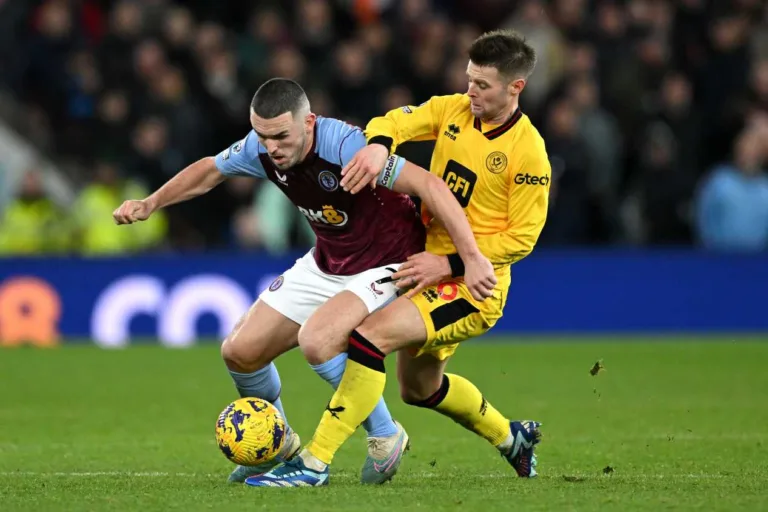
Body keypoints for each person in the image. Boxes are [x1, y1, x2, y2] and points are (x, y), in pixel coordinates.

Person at [112, 78, 495, 484]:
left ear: (309, 122)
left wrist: (469, 258)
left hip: (391, 261)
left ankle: (385, 434)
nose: (271, 147)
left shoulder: (346, 146)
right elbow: (210, 170)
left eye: (281, 136)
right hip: (329, 259)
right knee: (240, 352)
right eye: (262, 136)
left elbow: (428, 185)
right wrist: (151, 202)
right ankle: (275, 446)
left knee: (318, 341)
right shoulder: (260, 147)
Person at [246, 30, 551, 488]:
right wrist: (377, 145)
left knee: (369, 339)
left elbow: (523, 238)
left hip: (472, 286)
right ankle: (512, 439)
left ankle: (314, 461)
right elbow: (393, 121)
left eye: (482, 85)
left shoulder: (529, 153)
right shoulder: (453, 110)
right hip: (422, 266)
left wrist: (450, 264)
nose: (470, 91)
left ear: (516, 88)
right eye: (469, 79)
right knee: (419, 389)